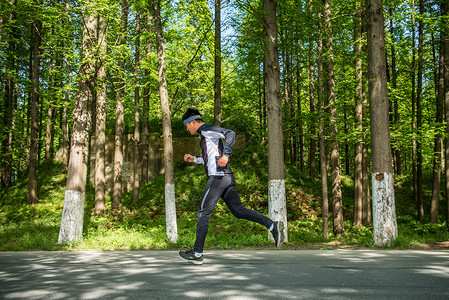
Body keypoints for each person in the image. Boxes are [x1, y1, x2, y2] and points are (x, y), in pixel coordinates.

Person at [179, 107, 284, 265]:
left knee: (202, 214)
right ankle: (271, 225)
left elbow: (230, 133)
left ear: (192, 122)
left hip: (218, 178)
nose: (187, 129)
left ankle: (197, 253)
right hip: (227, 177)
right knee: (238, 211)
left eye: (187, 126)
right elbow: (212, 158)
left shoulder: (206, 130)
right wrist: (195, 160)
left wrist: (226, 154)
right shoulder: (205, 136)